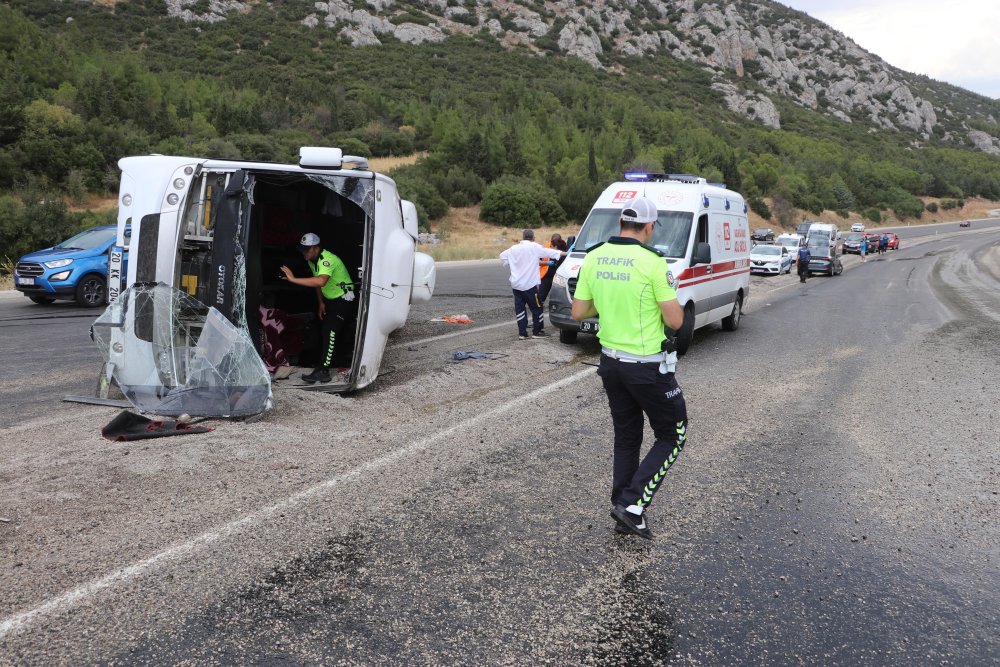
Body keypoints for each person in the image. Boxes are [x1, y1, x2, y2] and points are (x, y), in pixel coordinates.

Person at [570, 197, 686, 540]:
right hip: (647, 366)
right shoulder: (652, 263)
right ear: (649, 227)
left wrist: (609, 303)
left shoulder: (593, 257)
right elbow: (675, 320)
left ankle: (622, 501)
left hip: (611, 362)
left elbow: (578, 313)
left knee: (627, 434)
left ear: (621, 223)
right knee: (673, 433)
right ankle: (633, 505)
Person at [280, 233, 355, 384]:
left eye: (307, 250)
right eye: (302, 250)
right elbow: (318, 284)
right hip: (331, 299)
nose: (304, 253)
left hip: (344, 298)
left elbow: (320, 281)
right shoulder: (312, 261)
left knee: (330, 332)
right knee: (324, 330)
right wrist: (321, 303)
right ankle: (329, 363)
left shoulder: (327, 260)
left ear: (316, 248)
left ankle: (323, 371)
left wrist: (293, 279)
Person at [499, 229, 565, 339]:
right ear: (533, 237)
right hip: (529, 285)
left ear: (523, 237)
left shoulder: (513, 248)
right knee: (537, 307)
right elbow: (551, 252)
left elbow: (502, 256)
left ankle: (522, 333)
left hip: (516, 285)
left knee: (520, 309)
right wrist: (568, 253)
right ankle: (537, 331)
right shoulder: (534, 247)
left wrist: (515, 262)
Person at [538, 233, 569, 303]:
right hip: (546, 276)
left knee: (559, 298)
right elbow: (538, 261)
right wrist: (547, 263)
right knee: (540, 297)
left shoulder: (564, 248)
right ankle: (539, 310)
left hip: (560, 277)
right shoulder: (546, 248)